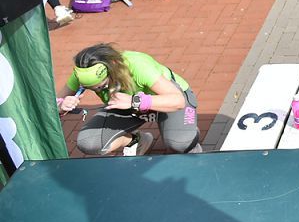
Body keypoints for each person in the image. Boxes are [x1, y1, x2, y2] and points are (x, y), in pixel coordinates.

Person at [56, 43, 201, 156]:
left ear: (111, 69)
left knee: (180, 143)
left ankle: (186, 133)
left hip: (165, 100)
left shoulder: (138, 66)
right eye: (92, 89)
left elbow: (178, 101)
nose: (99, 91)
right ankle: (137, 141)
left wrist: (133, 101)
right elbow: (54, 104)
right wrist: (62, 106)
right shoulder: (83, 73)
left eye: (101, 87)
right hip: (126, 105)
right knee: (89, 143)